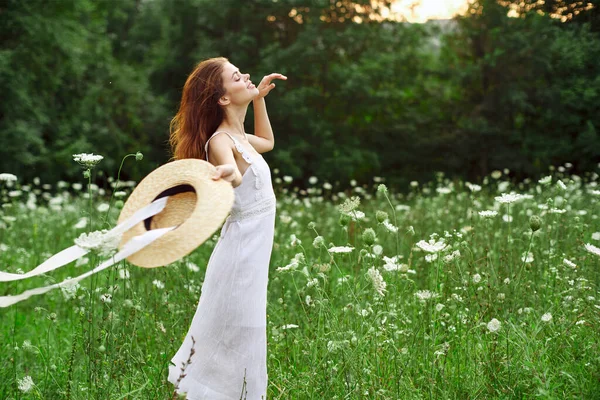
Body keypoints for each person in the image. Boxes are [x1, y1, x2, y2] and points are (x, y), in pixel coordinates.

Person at [166, 57, 287, 400]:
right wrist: (225, 175)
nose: (246, 75)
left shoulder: (239, 136)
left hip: (251, 253)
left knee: (243, 330)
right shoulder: (221, 140)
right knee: (237, 330)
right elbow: (231, 171)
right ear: (222, 98)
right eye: (237, 76)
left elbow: (267, 141)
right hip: (240, 255)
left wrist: (259, 98)